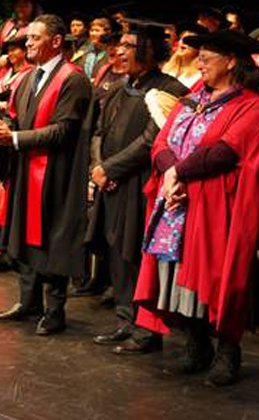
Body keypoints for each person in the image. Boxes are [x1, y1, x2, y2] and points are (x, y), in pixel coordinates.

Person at [134, 29, 259, 386]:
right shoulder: (191, 98)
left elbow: (225, 151)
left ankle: (227, 353)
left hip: (216, 206)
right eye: (199, 56)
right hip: (176, 203)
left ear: (231, 61)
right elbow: (161, 141)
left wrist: (176, 172)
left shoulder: (249, 104)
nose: (199, 63)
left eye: (207, 58)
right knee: (179, 276)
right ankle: (197, 344)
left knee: (218, 277)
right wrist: (170, 171)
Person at [0, 14, 93, 335]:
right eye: (27, 38)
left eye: (34, 38)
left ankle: (55, 311)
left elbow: (64, 131)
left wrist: (15, 139)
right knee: (24, 235)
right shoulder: (28, 78)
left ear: (56, 41)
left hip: (56, 174)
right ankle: (28, 301)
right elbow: (21, 121)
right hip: (27, 168)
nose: (26, 43)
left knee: (52, 239)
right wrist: (5, 129)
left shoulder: (73, 79)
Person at [86, 20, 188, 355]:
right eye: (121, 45)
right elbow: (99, 131)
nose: (120, 51)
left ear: (149, 49)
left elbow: (151, 141)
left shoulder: (168, 89)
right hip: (112, 182)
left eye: (130, 46)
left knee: (137, 254)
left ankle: (147, 331)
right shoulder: (118, 87)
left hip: (143, 184)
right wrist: (99, 167)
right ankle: (125, 320)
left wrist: (109, 168)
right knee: (116, 252)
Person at [0, 0, 42, 68]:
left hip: (25, 68)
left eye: (25, 6)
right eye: (19, 6)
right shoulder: (7, 24)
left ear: (33, 8)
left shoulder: (37, 27)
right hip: (2, 68)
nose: (21, 9)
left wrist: (9, 59)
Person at [0, 36, 33, 117]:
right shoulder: (4, 71)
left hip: (14, 117)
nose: (9, 54)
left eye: (13, 50)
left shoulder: (30, 72)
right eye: (8, 51)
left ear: (25, 51)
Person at [162, 22, 208, 92]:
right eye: (182, 39)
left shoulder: (199, 75)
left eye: (189, 41)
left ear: (199, 48)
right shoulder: (167, 67)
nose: (183, 42)